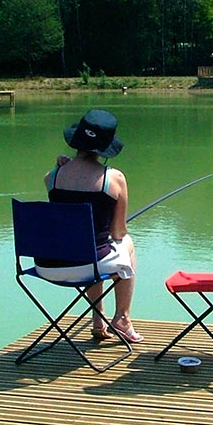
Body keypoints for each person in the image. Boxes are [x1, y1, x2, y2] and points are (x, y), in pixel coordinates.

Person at [37, 108, 143, 343]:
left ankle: (98, 319)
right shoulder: (113, 178)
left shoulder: (53, 176)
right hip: (86, 264)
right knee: (126, 243)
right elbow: (118, 232)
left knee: (89, 245)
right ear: (105, 149)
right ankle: (123, 319)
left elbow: (61, 195)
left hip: (47, 266)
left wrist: (60, 164)